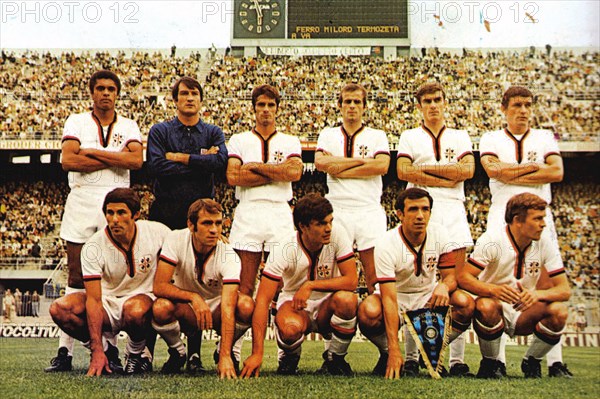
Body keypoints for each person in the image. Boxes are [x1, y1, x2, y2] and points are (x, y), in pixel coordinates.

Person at [47, 70, 143, 372]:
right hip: (81, 200)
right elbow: (68, 161)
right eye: (100, 88)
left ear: (118, 94)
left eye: (111, 89)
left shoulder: (128, 124)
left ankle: (111, 348)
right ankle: (65, 351)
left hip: (114, 200)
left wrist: (91, 152)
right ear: (92, 92)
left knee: (109, 279)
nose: (105, 93)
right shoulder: (76, 121)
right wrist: (114, 156)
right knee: (76, 278)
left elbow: (136, 161)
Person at [479, 86, 571, 377]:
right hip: (501, 217)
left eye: (528, 105)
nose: (523, 110)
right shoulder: (491, 137)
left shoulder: (545, 136)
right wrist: (533, 167)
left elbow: (556, 172)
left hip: (539, 216)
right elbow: (494, 170)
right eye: (517, 104)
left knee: (546, 286)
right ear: (504, 107)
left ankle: (552, 362)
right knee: (497, 281)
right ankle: (497, 362)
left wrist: (513, 170)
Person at [147, 76, 228, 372]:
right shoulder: (160, 130)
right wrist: (199, 161)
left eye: (194, 93)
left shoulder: (213, 131)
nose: (189, 98)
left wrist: (181, 158)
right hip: (166, 213)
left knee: (195, 276)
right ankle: (149, 353)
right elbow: (156, 166)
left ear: (201, 99)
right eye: (184, 93)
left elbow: (221, 164)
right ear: (176, 99)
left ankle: (194, 355)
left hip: (200, 214)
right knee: (162, 280)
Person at [396, 82, 475, 376]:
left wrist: (427, 173)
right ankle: (412, 359)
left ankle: (456, 361)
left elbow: (467, 171)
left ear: (445, 102)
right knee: (419, 280)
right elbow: (403, 171)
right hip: (421, 209)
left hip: (453, 210)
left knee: (456, 285)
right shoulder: (409, 136)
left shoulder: (460, 135)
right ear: (419, 105)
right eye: (427, 101)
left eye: (437, 99)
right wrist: (448, 175)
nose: (432, 105)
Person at [49, 188, 171, 376]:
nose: (114, 219)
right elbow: (94, 300)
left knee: (135, 309)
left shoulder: (157, 232)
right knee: (59, 309)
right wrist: (96, 349)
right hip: (107, 303)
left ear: (136, 214)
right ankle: (107, 351)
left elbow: (184, 244)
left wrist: (217, 240)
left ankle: (134, 353)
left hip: (142, 302)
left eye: (121, 213)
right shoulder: (93, 246)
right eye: (110, 212)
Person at [358, 188, 474, 379]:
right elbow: (388, 298)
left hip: (425, 295)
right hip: (397, 295)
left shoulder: (440, 233)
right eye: (413, 209)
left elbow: (451, 277)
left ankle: (429, 346)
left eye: (425, 209)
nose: (420, 216)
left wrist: (444, 285)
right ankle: (387, 352)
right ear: (400, 214)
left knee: (464, 303)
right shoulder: (386, 243)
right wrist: (395, 349)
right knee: (368, 311)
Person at [240, 193, 358, 378]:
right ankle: (290, 357)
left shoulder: (338, 234)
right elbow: (262, 301)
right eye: (320, 224)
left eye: (330, 222)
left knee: (348, 300)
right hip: (294, 303)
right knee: (289, 329)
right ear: (303, 226)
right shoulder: (285, 248)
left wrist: (310, 285)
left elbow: (352, 280)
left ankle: (335, 358)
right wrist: (257, 353)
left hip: (328, 303)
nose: (328, 228)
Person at [458, 193, 570, 379]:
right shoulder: (492, 240)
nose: (543, 224)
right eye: (538, 219)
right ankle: (490, 363)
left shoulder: (545, 242)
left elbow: (564, 290)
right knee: (486, 305)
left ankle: (532, 362)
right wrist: (493, 290)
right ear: (518, 220)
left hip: (524, 309)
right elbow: (464, 277)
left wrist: (538, 295)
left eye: (543, 218)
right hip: (495, 308)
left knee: (559, 311)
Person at [151, 198, 254, 378]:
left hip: (216, 308)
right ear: (191, 225)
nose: (214, 230)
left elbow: (229, 307)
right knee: (160, 308)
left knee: (245, 305)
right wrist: (194, 297)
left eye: (218, 223)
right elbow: (159, 286)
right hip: (187, 306)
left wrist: (225, 355)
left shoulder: (228, 255)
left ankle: (222, 349)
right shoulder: (175, 239)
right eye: (207, 223)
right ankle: (178, 351)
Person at [226, 84, 303, 297]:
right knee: (245, 286)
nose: (266, 109)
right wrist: (278, 171)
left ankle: (275, 328)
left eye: (271, 105)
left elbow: (294, 173)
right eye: (261, 105)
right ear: (254, 108)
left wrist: (256, 167)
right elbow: (233, 177)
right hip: (249, 211)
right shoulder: (239, 140)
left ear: (277, 108)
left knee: (280, 285)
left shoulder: (289, 140)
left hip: (279, 211)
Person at [314, 83, 390, 295]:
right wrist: (364, 163)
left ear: (365, 107)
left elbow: (382, 166)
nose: (352, 106)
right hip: (337, 210)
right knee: (334, 275)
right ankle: (336, 325)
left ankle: (379, 324)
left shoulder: (377, 135)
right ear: (339, 105)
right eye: (348, 101)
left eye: (357, 102)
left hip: (369, 210)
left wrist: (339, 167)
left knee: (375, 275)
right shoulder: (328, 134)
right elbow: (320, 163)